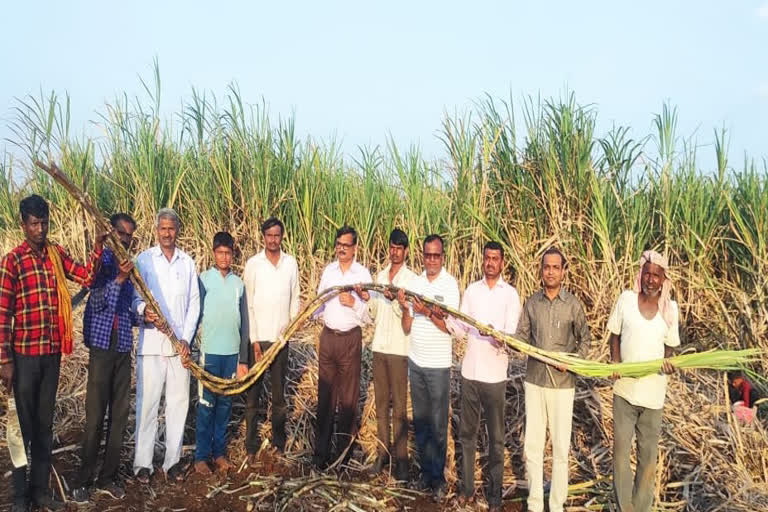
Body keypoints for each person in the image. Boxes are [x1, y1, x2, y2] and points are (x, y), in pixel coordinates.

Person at [0, 194, 105, 512]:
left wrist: (98, 247)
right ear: (23, 225)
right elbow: (3, 315)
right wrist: (4, 361)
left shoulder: (56, 254)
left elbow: (86, 276)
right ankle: (20, 497)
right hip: (23, 357)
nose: (40, 229)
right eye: (34, 223)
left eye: (44, 222)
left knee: (44, 426)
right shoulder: (13, 261)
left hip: (51, 354)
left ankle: (40, 492)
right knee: (21, 428)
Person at [515, 246, 590, 512]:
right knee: (533, 447)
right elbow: (522, 337)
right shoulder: (532, 303)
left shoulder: (573, 305)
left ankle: (557, 505)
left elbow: (585, 340)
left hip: (562, 386)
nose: (550, 272)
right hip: (535, 382)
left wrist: (570, 362)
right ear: (541, 270)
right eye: (546, 267)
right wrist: (508, 341)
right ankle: (535, 504)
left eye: (556, 267)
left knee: (560, 448)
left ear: (563, 272)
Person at [450, 241, 520, 511]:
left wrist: (497, 335)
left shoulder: (510, 295)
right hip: (470, 372)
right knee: (467, 434)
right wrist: (440, 318)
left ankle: (494, 497)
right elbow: (459, 327)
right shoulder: (471, 291)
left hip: (495, 376)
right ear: (482, 260)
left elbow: (513, 336)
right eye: (487, 258)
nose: (490, 262)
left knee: (496, 438)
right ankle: (467, 490)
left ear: (502, 263)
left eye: (495, 258)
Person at [72, 213, 138, 503]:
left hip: (123, 346)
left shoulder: (129, 267)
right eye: (121, 233)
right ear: (111, 234)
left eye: (129, 236)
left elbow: (127, 311)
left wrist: (146, 316)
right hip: (101, 346)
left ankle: (107, 477)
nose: (125, 239)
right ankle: (83, 479)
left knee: (120, 416)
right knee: (95, 415)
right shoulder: (101, 263)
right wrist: (119, 280)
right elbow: (98, 303)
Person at [608, 250, 680, 512]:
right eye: (646, 274)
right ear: (641, 275)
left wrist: (669, 363)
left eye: (656, 276)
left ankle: (640, 509)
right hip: (625, 391)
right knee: (620, 454)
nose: (650, 280)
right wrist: (615, 361)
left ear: (663, 280)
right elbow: (614, 335)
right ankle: (623, 507)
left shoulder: (670, 309)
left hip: (653, 396)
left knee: (648, 458)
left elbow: (671, 348)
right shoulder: (626, 300)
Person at [132, 208, 200, 484]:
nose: (167, 233)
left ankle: (172, 462)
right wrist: (143, 310)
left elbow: (194, 302)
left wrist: (185, 338)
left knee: (178, 404)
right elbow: (133, 298)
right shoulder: (145, 260)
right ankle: (142, 464)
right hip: (151, 343)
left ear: (178, 230)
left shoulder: (188, 263)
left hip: (178, 347)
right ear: (156, 230)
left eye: (172, 228)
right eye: (163, 228)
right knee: (147, 404)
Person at [397, 234, 460, 502]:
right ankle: (425, 472)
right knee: (421, 421)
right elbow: (407, 327)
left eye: (436, 255)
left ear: (443, 257)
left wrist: (428, 313)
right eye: (427, 255)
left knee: (437, 422)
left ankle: (438, 478)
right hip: (416, 361)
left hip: (438, 365)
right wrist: (405, 309)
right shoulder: (415, 283)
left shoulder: (450, 285)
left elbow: (451, 328)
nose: (431, 260)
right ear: (422, 256)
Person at [312, 225, 372, 469]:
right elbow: (319, 304)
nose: (341, 249)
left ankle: (342, 455)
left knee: (347, 401)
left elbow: (369, 316)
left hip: (350, 340)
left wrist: (354, 304)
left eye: (346, 245)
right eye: (338, 245)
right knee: (325, 397)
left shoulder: (364, 276)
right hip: (328, 339)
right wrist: (311, 313)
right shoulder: (329, 272)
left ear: (355, 248)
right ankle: (320, 455)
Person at [241, 217, 300, 461]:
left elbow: (295, 299)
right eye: (269, 236)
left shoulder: (290, 263)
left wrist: (288, 332)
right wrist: (254, 341)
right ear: (263, 237)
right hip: (258, 340)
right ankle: (251, 444)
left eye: (277, 235)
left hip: (280, 341)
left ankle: (278, 441)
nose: (273, 240)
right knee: (253, 395)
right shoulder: (253, 264)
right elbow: (248, 305)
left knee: (278, 395)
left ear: (282, 236)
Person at [363, 228, 416, 481]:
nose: (395, 252)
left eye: (400, 247)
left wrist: (397, 301)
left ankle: (402, 461)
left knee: (399, 409)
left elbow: (408, 324)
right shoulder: (381, 275)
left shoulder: (411, 281)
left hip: (398, 351)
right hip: (379, 349)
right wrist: (367, 298)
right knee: (382, 406)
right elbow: (372, 313)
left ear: (406, 251)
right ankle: (382, 455)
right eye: (392, 247)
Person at [194, 232, 247, 474]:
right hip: (210, 354)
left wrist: (243, 359)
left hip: (231, 354)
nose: (224, 257)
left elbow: (244, 323)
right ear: (214, 253)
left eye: (228, 252)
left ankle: (219, 453)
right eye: (220, 252)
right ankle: (201, 456)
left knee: (225, 405)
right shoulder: (203, 280)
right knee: (206, 404)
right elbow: (194, 315)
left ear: (233, 254)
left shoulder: (239, 284)